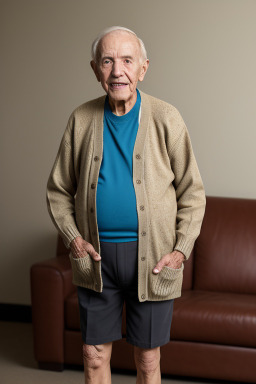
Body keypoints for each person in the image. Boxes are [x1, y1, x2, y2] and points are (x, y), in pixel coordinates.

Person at [46, 26, 206, 384]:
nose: (117, 71)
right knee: (92, 354)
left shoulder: (166, 117)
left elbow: (193, 194)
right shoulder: (81, 119)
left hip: (152, 260)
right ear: (95, 69)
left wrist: (179, 251)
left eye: (127, 60)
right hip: (95, 259)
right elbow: (58, 191)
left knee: (147, 360)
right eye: (107, 61)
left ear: (143, 68)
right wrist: (74, 240)